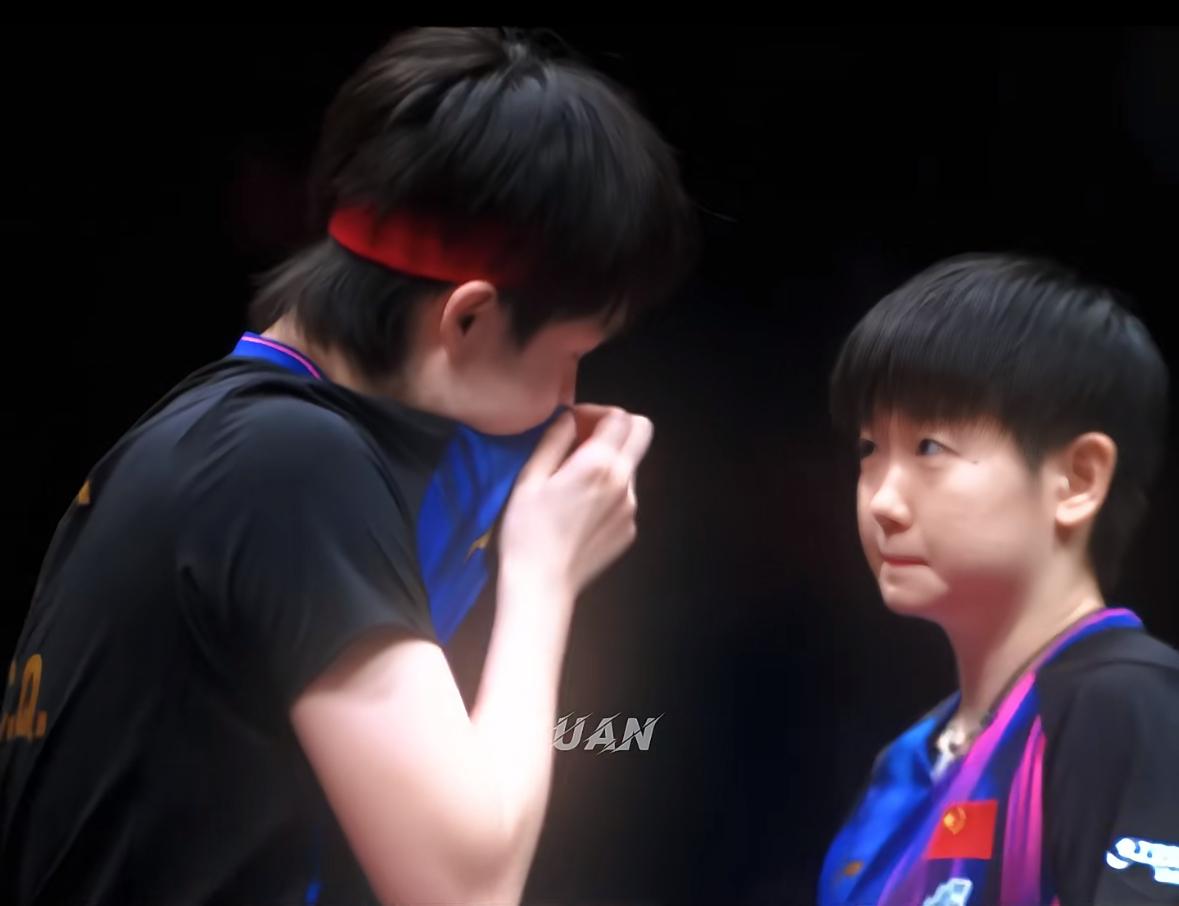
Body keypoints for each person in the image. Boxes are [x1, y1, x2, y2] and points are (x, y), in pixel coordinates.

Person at [0, 26, 695, 905]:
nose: (570, 397)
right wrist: (544, 571)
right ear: (467, 319)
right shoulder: (287, 466)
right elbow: (463, 889)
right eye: (571, 355)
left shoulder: (225, 436)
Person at [820, 253, 1179, 905]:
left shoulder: (1129, 706)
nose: (882, 502)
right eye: (869, 450)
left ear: (1077, 479)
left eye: (930, 447)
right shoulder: (905, 760)